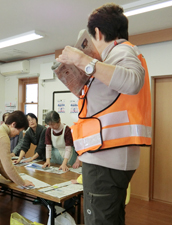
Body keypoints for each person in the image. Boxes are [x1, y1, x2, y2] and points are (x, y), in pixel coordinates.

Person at [56, 3, 151, 225]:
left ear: (97, 33)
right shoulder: (113, 58)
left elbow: (133, 81)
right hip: (109, 157)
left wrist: (82, 59)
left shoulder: (120, 50)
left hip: (105, 159)